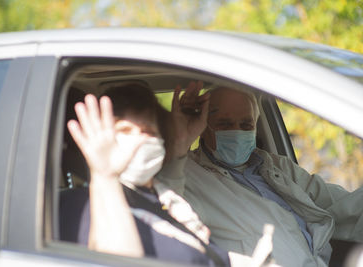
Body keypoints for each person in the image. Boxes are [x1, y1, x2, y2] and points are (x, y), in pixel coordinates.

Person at [67, 83, 277, 266]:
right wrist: (105, 176)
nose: (140, 140)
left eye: (149, 131)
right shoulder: (84, 207)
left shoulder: (159, 196)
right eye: (125, 131)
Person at [157, 81, 363, 267]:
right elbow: (167, 209)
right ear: (203, 127)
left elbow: (337, 203)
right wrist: (179, 143)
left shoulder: (275, 166)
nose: (237, 132)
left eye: (246, 125)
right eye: (225, 125)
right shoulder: (186, 174)